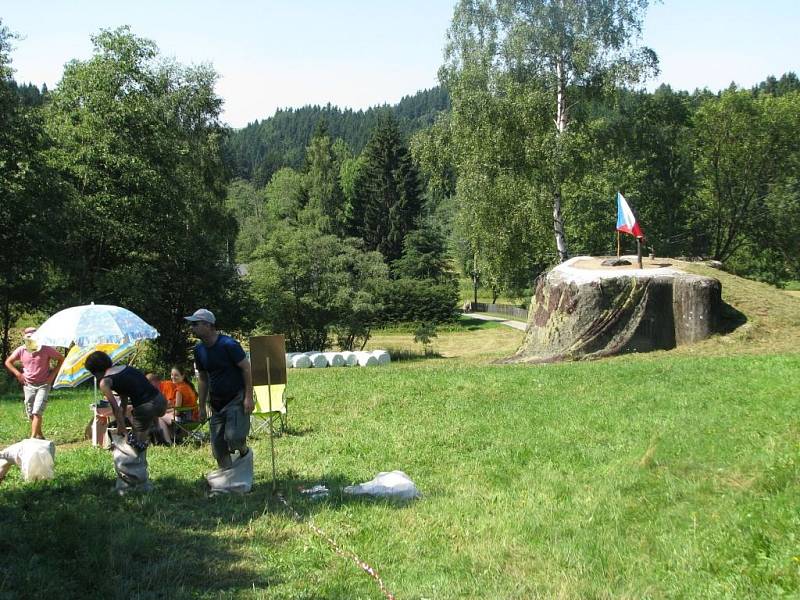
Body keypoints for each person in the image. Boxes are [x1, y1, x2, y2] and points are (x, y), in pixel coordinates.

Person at [184, 308, 253, 468]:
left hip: (236, 397)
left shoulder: (229, 344)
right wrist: (201, 406)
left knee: (235, 439)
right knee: (217, 447)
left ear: (208, 325)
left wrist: (248, 397)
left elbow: (246, 368)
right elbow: (202, 378)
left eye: (195, 324)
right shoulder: (199, 350)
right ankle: (228, 477)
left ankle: (245, 453)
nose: (192, 328)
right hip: (216, 402)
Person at [85, 351, 167, 452]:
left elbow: (115, 408)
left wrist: (122, 427)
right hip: (161, 401)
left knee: (136, 446)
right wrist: (121, 421)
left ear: (95, 371)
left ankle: (138, 459)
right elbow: (124, 398)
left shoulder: (104, 382)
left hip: (145, 407)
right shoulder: (126, 368)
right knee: (145, 420)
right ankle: (156, 430)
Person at [4, 327, 65, 440]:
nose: (31, 341)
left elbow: (61, 359)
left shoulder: (46, 349)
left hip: (43, 384)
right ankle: (39, 435)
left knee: (37, 412)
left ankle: (32, 439)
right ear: (25, 339)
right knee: (31, 412)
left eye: (33, 338)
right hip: (28, 385)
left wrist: (52, 376)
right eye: (29, 339)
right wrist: (18, 374)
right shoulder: (21, 350)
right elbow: (8, 362)